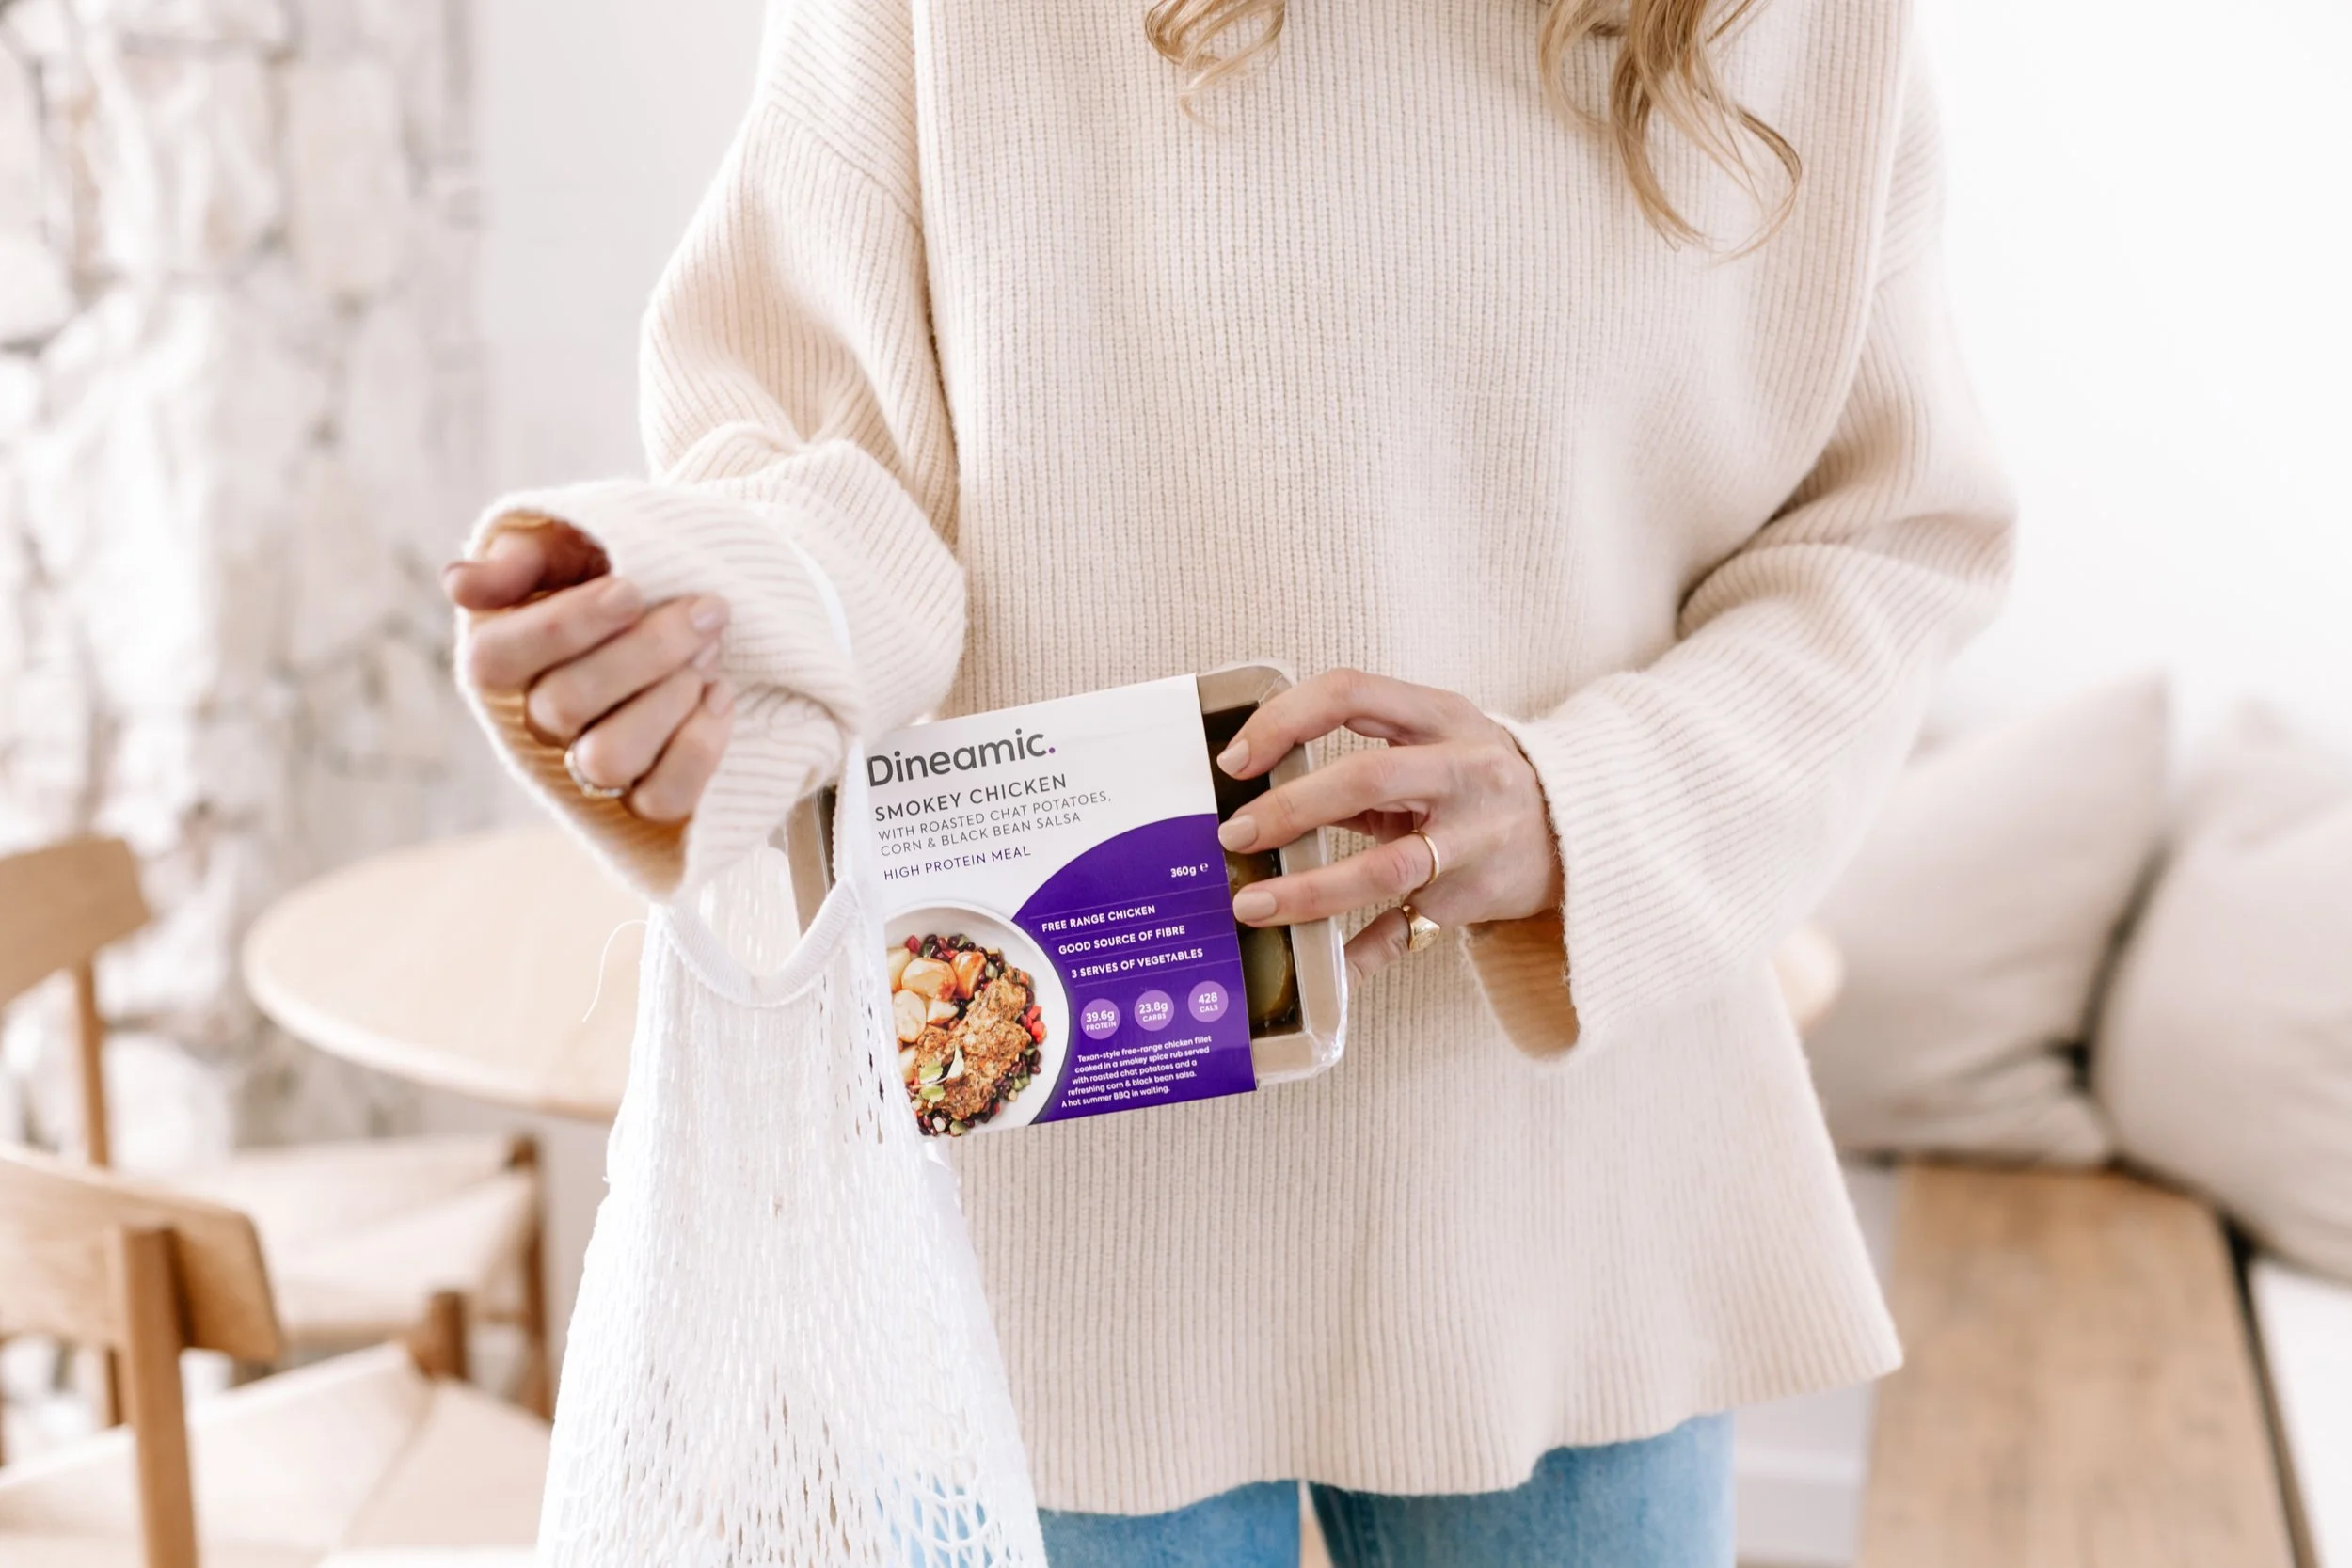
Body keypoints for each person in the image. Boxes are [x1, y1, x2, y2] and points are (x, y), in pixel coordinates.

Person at [443, 0, 2013, 1560]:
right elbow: (837, 484)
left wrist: (1578, 803)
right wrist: (709, 635)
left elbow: (1882, 538)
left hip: (1573, 1199)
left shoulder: (1809, 26)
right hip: (1064, 1236)